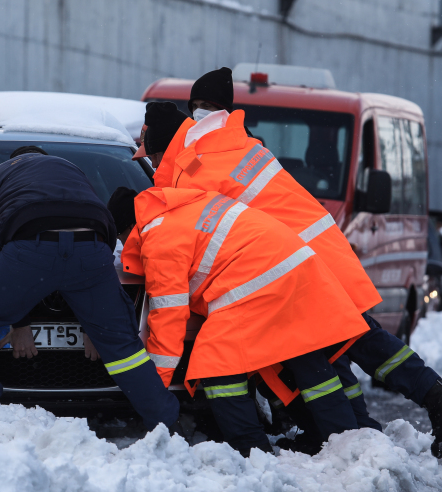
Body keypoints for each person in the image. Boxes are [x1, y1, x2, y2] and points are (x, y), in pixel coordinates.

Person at [140, 71, 442, 458]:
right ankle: (363, 427)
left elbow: (192, 221)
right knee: (342, 342)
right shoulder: (245, 147)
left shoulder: (202, 160)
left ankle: (430, 403)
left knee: (351, 339)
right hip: (314, 250)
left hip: (296, 260)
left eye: (198, 108)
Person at [111, 186, 367, 456]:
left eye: (120, 237)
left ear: (129, 227)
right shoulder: (181, 208)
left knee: (215, 364)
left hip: (258, 280)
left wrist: (152, 388)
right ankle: (343, 438)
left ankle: (251, 451)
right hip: (290, 267)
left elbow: (168, 317)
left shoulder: (158, 238)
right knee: (305, 359)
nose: (123, 244)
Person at [0, 148, 181, 432]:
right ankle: (167, 424)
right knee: (122, 344)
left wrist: (18, 320)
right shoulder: (69, 170)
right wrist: (92, 323)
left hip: (31, 247)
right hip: (92, 248)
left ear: (12, 162)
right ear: (43, 157)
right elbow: (105, 229)